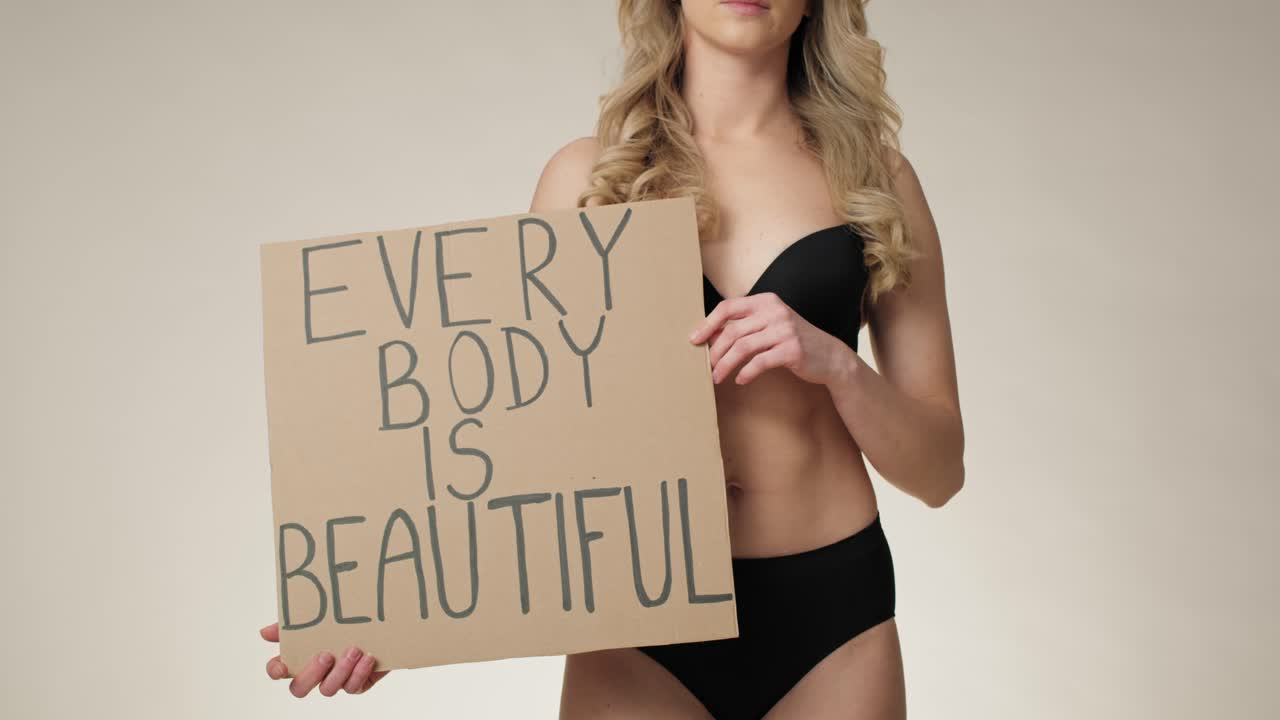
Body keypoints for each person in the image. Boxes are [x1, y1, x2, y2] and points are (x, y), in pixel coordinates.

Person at [260, 1, 964, 717]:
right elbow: (509, 452)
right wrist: (385, 615)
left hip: (833, 615)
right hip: (640, 631)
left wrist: (838, 365)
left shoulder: (875, 182)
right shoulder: (588, 176)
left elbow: (940, 473)